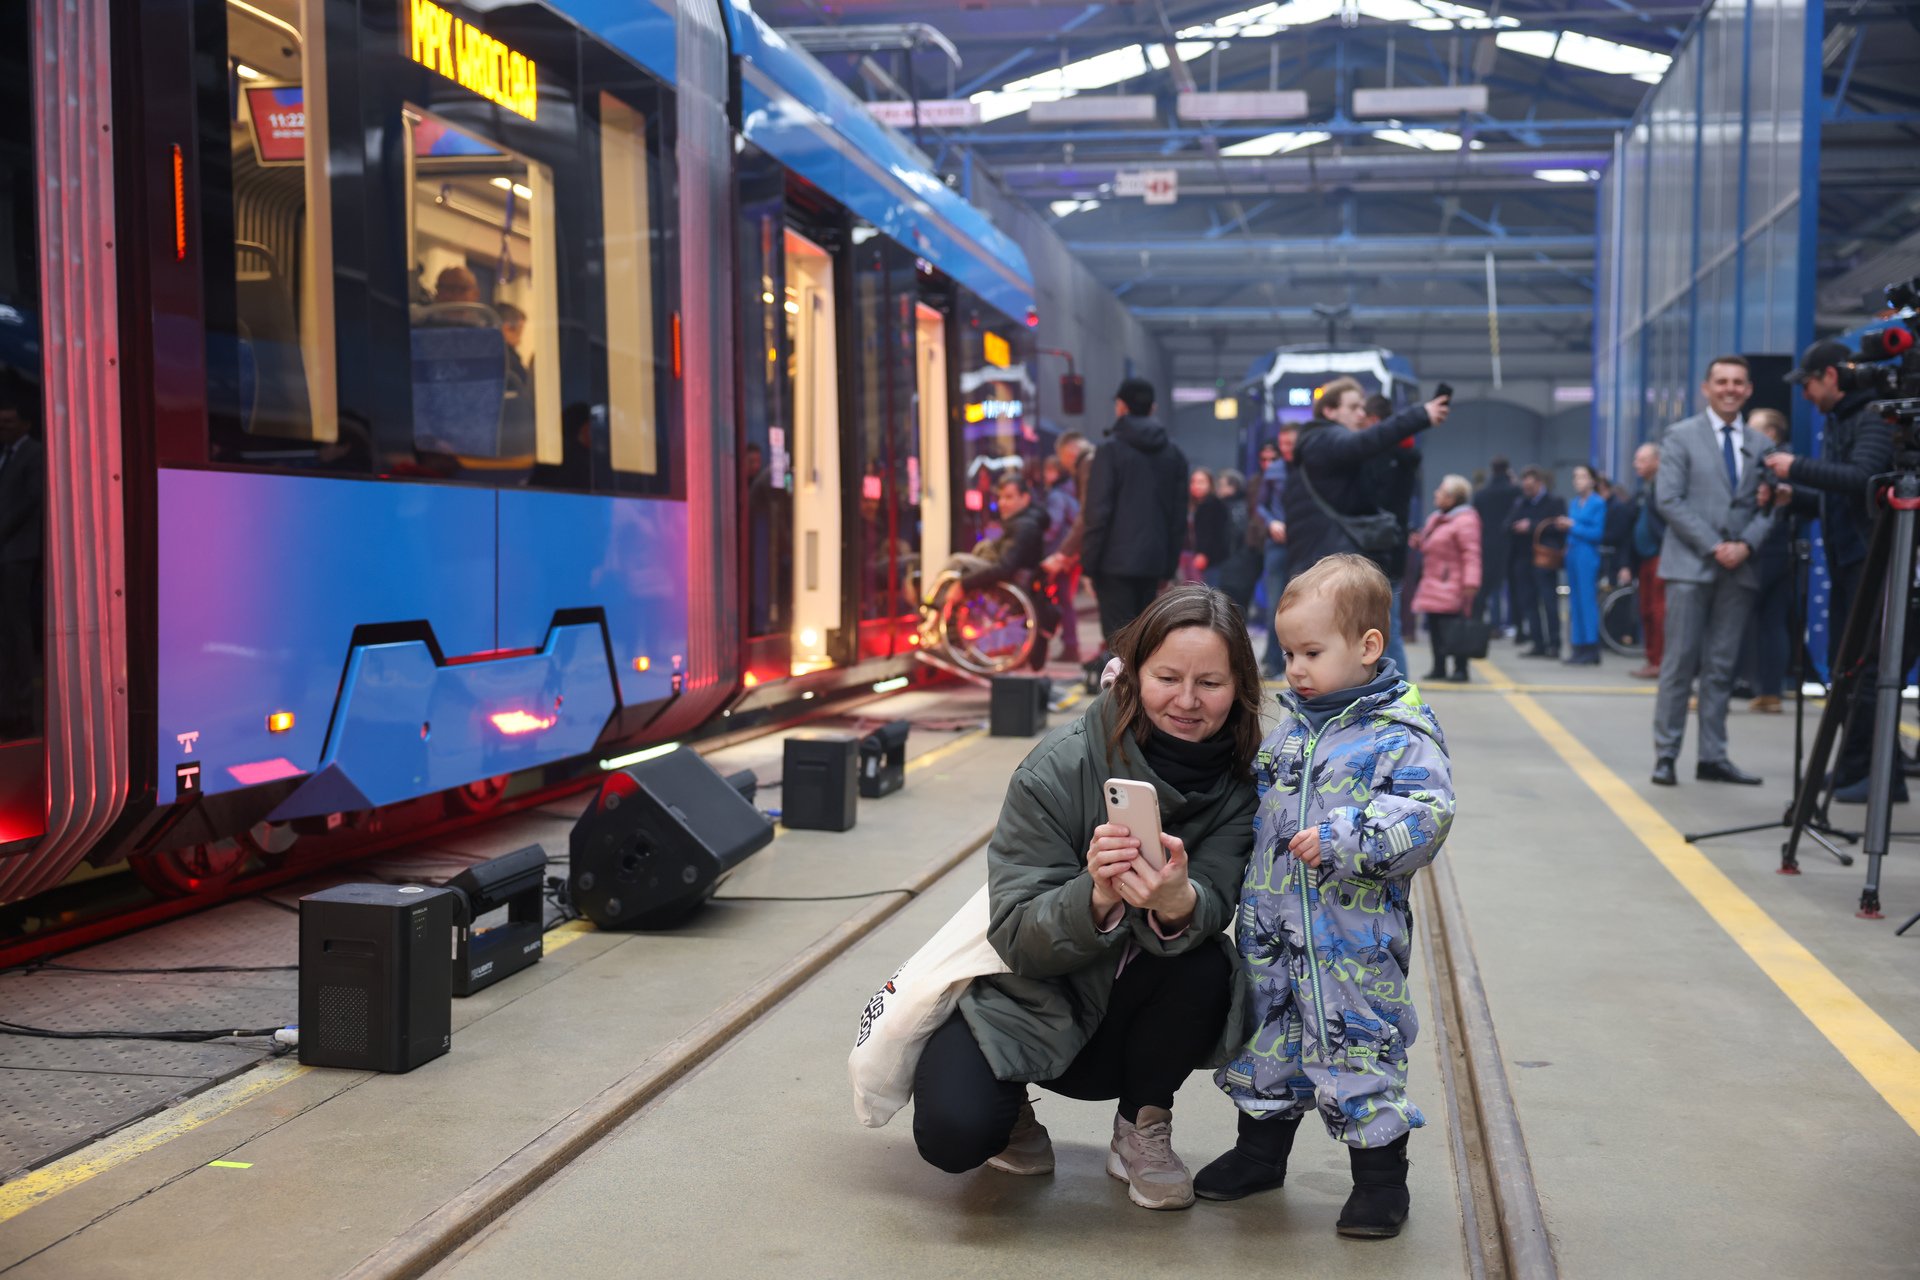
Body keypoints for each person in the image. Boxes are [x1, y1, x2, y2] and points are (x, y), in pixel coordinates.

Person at [911, 586, 1261, 1211]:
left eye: (1210, 683)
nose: (1186, 701)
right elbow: (1015, 934)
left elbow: (1216, 901)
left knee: (1208, 964)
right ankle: (1009, 1108)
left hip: (1133, 1017)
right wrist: (1095, 896)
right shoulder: (1059, 766)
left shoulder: (1238, 786)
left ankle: (1142, 1123)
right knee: (953, 1135)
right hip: (1028, 997)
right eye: (1167, 678)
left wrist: (1180, 902)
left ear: (1239, 689)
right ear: (1133, 673)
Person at [1195, 555, 1454, 1240]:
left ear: (1368, 646)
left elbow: (1427, 816)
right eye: (1288, 654)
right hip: (1273, 933)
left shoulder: (1400, 734)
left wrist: (1348, 837)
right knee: (1266, 1043)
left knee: (1359, 1050)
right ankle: (1259, 1155)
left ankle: (1380, 1181)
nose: (1295, 669)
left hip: (1351, 945)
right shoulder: (1291, 728)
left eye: (1311, 653)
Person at [1765, 341, 1908, 803]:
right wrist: (1796, 498)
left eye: (1807, 384)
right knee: (1848, 669)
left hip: (1873, 562)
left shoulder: (1871, 418)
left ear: (1829, 376)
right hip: (1851, 562)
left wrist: (1796, 468)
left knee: (1866, 671)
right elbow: (1841, 497)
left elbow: (1863, 478)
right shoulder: (1842, 420)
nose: (1805, 396)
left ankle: (1875, 774)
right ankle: (1857, 767)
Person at [1650, 356, 1775, 788]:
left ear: (1749, 389)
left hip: (1739, 569)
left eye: (1738, 382)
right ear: (1706, 388)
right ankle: (1666, 755)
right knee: (1679, 664)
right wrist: (1715, 546)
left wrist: (1746, 545)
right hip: (1691, 566)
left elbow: (1771, 505)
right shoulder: (1680, 436)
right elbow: (1668, 499)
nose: (1730, 389)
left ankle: (1713, 756)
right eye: (1722, 381)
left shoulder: (1762, 445)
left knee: (1721, 668)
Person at [1283, 378, 1449, 588]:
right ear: (1329, 411)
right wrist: (1420, 415)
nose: (1361, 414)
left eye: (1362, 408)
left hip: (1325, 560)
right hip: (1330, 566)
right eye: (1353, 407)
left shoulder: (1319, 442)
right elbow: (1362, 442)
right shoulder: (1324, 439)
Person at [1081, 378, 1189, 650]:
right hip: (1153, 562)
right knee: (1144, 642)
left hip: (1112, 563)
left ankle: (1122, 681)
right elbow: (1178, 517)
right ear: (1153, 408)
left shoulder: (1109, 450)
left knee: (1118, 643)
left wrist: (1088, 565)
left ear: (1121, 406)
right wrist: (1168, 566)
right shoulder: (1174, 454)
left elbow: (1097, 511)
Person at [1359, 393, 1422, 682]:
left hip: (1377, 547)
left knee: (1386, 627)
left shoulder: (1380, 457)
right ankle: (1400, 689)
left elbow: (1371, 499)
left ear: (1374, 420)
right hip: (1392, 548)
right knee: (1388, 625)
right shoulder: (1404, 455)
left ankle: (1399, 689)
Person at [1741, 409, 1795, 713]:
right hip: (1781, 548)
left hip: (1763, 548)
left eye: (1754, 429)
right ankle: (1771, 692)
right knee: (1773, 623)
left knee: (1735, 616)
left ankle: (1722, 686)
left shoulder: (1772, 462)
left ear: (1770, 433)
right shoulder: (1790, 460)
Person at [0, 377, 44, 739]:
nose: (3, 427)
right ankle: (9, 705)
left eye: (8, 422)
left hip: (17, 554)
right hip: (7, 552)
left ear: (26, 424)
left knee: (17, 632)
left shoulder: (34, 454)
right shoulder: (6, 455)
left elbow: (29, 502)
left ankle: (22, 708)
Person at [1410, 474, 1483, 683]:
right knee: (1435, 626)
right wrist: (1419, 542)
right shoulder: (1436, 518)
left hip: (1453, 583)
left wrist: (1471, 582)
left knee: (1456, 626)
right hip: (1433, 581)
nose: (1436, 493)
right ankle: (1439, 666)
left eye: (1441, 491)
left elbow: (1471, 553)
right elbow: (1432, 545)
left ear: (1453, 497)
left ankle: (1461, 668)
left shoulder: (1466, 520)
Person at [1042, 432, 1097, 665]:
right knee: (1067, 601)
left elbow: (1054, 526)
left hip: (1062, 555)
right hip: (1073, 555)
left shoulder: (1057, 495)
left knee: (1063, 602)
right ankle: (1071, 645)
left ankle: (1070, 645)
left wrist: (1057, 552)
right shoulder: (1071, 491)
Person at [1507, 467, 1566, 657]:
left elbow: (1558, 528)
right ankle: (1538, 643)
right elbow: (1507, 524)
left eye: (1531, 486)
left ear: (1539, 483)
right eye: (1525, 487)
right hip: (1523, 561)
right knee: (1529, 604)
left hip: (1544, 561)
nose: (1527, 490)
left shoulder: (1554, 502)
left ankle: (1554, 644)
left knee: (1549, 603)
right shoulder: (1520, 503)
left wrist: (1531, 526)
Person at [1554, 464, 1607, 665]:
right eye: (1575, 477)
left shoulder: (1597, 503)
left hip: (1587, 554)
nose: (1578, 480)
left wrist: (1573, 526)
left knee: (1587, 601)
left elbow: (1597, 533)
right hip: (1573, 553)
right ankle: (1578, 645)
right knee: (1574, 602)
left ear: (1592, 480)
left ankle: (1591, 646)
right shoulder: (1575, 503)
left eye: (1582, 476)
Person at [1255, 430, 1294, 678]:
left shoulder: (1309, 467)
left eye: (1290, 443)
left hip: (1305, 545)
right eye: (1283, 443)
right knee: (1275, 606)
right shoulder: (1274, 471)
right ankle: (1273, 661)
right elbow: (1260, 505)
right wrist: (1272, 523)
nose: (1286, 447)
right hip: (1277, 544)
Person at [1628, 443, 1667, 678]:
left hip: (1660, 556)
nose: (1636, 465)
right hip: (1644, 559)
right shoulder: (1645, 489)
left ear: (1657, 461)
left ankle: (1661, 662)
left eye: (1642, 460)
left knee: (1659, 612)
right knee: (1646, 611)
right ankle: (1652, 659)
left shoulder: (1664, 486)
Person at [1473, 457, 1520, 634]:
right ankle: (1509, 624)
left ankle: (1485, 624)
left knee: (1487, 586)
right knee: (1508, 586)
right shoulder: (1515, 491)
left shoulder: (1482, 494)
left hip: (1486, 544)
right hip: (1511, 544)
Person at [1214, 468, 1263, 616]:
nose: (1218, 489)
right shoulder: (1246, 507)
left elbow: (1234, 536)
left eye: (1222, 485)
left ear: (1233, 487)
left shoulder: (1233, 508)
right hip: (1243, 565)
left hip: (1235, 566)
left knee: (1231, 609)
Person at [1181, 467, 1230, 586]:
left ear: (1210, 484)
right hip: (1187, 556)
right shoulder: (1187, 505)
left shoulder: (1215, 505)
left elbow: (1215, 534)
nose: (1196, 486)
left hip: (1209, 559)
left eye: (1201, 482)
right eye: (1193, 482)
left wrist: (1204, 553)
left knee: (1207, 590)